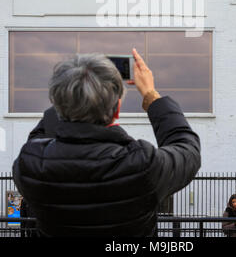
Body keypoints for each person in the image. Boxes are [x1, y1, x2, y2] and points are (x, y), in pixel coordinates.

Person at [12, 48, 200, 237]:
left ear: (59, 103)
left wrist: (72, 93)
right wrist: (150, 95)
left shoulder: (32, 164)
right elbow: (187, 148)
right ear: (118, 109)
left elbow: (40, 135)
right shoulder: (142, 164)